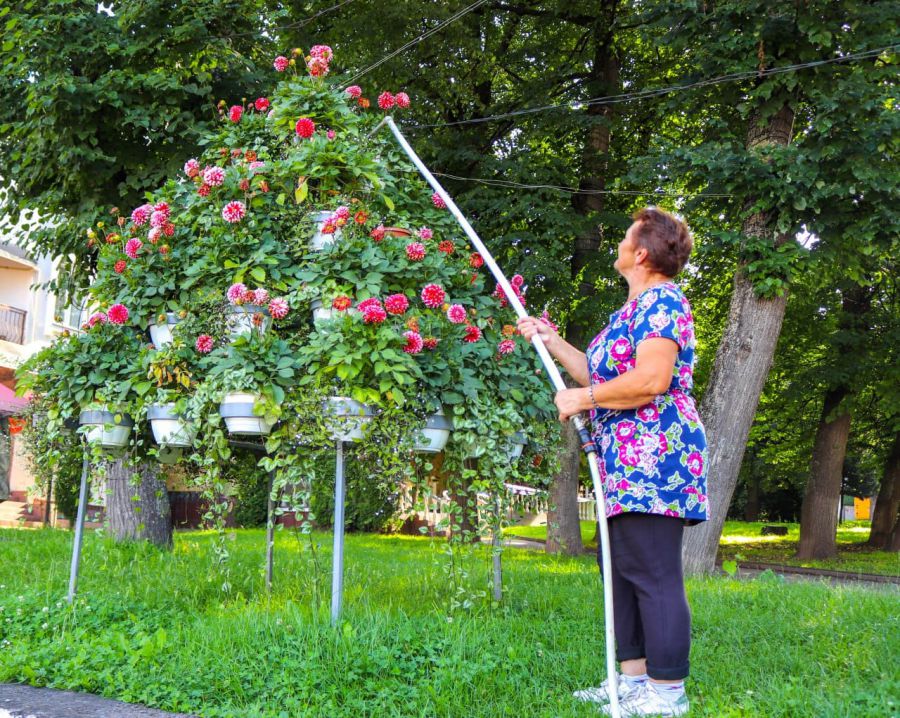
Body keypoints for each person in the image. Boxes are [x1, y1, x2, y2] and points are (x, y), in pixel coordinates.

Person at [518, 207, 708, 717]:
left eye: (626, 237)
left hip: (657, 455)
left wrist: (582, 400)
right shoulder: (630, 311)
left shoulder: (664, 302)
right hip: (621, 460)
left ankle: (668, 693)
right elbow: (596, 373)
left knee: (652, 570)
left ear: (641, 253)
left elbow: (651, 380)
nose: (619, 244)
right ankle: (634, 680)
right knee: (620, 570)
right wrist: (550, 339)